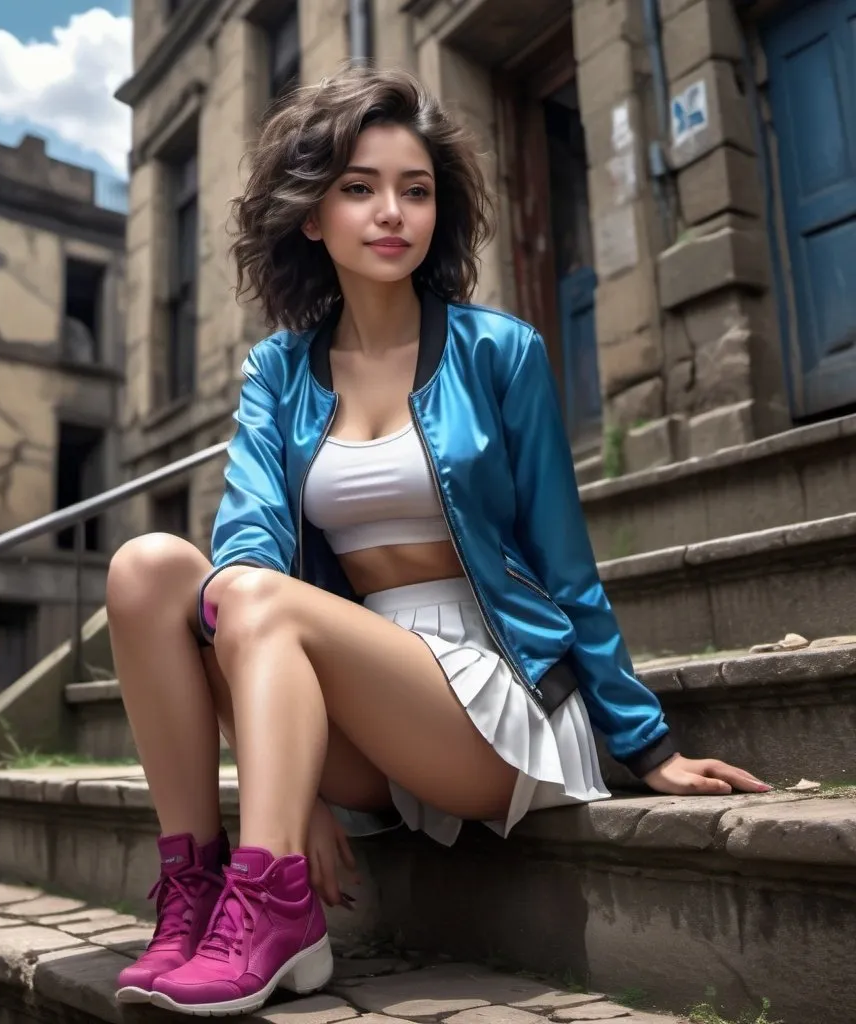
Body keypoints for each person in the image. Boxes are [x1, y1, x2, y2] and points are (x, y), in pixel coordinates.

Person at [105, 66, 769, 1018]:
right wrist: (296, 794)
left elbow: (564, 565)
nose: (391, 213)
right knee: (149, 570)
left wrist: (648, 743)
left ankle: (270, 899)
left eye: (414, 190)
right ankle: (199, 894)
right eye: (359, 188)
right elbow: (246, 542)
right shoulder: (279, 373)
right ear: (310, 216)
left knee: (252, 597)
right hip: (347, 685)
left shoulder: (501, 352)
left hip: (491, 691)